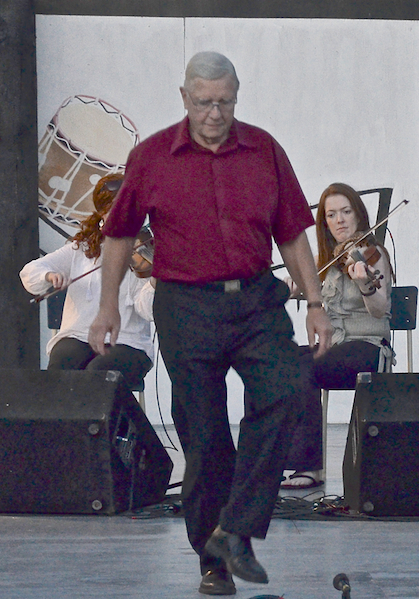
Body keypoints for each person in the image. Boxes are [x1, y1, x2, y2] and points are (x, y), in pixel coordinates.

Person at [88, 51, 333, 596]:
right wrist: (107, 307)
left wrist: (315, 302)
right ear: (184, 98)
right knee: (205, 438)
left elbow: (292, 232)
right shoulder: (151, 156)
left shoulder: (264, 149)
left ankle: (237, 527)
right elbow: (119, 234)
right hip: (185, 307)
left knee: (290, 389)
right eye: (203, 103)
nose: (214, 113)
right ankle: (213, 562)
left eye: (224, 102)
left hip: (255, 303)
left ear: (237, 95)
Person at [283, 183, 394, 490]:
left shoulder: (374, 256)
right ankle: (271, 459)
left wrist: (365, 285)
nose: (340, 220)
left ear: (359, 215)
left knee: (305, 368)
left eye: (346, 212)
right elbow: (307, 295)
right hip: (335, 347)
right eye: (331, 214)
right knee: (277, 363)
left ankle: (310, 467)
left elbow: (380, 308)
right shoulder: (326, 265)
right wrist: (292, 288)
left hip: (367, 347)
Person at [19, 173, 155, 390]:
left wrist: (156, 277)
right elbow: (31, 271)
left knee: (99, 372)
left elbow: (147, 310)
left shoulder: (144, 251)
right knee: (63, 365)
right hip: (78, 334)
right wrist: (49, 276)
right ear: (103, 214)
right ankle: (64, 425)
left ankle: (113, 425)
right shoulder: (82, 248)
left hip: (128, 341)